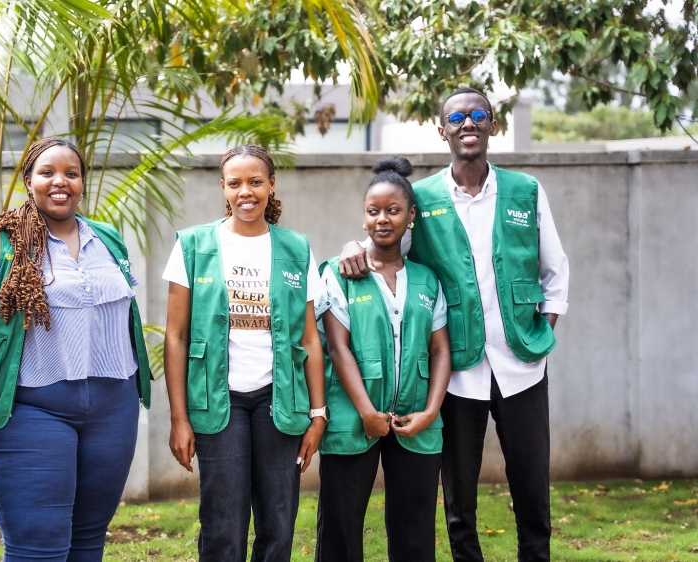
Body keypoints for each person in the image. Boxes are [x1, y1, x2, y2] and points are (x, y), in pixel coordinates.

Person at [340, 87, 570, 562]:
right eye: (458, 117)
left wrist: (540, 333)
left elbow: (555, 271)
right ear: (441, 129)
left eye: (479, 115)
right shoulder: (420, 198)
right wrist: (351, 249)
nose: (469, 123)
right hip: (459, 375)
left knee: (533, 491)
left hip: (523, 367)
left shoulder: (526, 190)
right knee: (459, 500)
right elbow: (385, 245)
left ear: (493, 125)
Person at [0, 137, 151, 562]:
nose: (60, 182)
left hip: (112, 409)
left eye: (72, 173)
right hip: (29, 409)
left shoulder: (108, 239)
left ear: (83, 182)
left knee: (88, 543)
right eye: (47, 173)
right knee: (37, 549)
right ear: (29, 181)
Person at [163, 145, 327, 562]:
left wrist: (318, 414)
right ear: (223, 188)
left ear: (271, 186)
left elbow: (309, 338)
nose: (246, 192)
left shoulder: (296, 248)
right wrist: (179, 418)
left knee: (278, 521)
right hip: (220, 401)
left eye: (256, 182)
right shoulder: (194, 245)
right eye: (235, 183)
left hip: (280, 398)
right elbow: (176, 336)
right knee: (223, 523)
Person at [315, 156, 451, 562]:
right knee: (339, 531)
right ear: (363, 218)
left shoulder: (427, 279)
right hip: (353, 419)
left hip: (416, 421)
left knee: (415, 533)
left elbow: (440, 348)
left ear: (411, 216)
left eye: (393, 211)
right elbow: (337, 347)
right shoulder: (339, 274)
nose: (382, 219)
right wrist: (367, 412)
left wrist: (430, 412)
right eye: (373, 211)